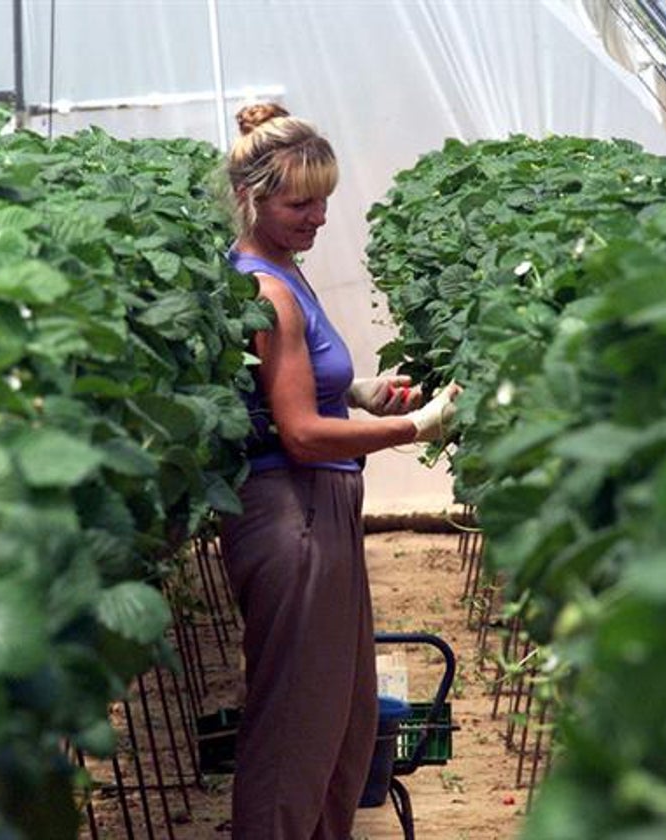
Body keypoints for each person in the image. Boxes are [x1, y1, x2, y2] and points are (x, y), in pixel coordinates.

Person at [217, 101, 461, 840]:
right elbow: (296, 433)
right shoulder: (266, 289)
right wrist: (411, 426)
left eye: (324, 199)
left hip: (319, 509)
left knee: (346, 720)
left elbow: (289, 383)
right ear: (251, 199)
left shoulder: (282, 267)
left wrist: (352, 392)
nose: (318, 216)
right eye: (300, 203)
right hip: (291, 517)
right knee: (297, 727)